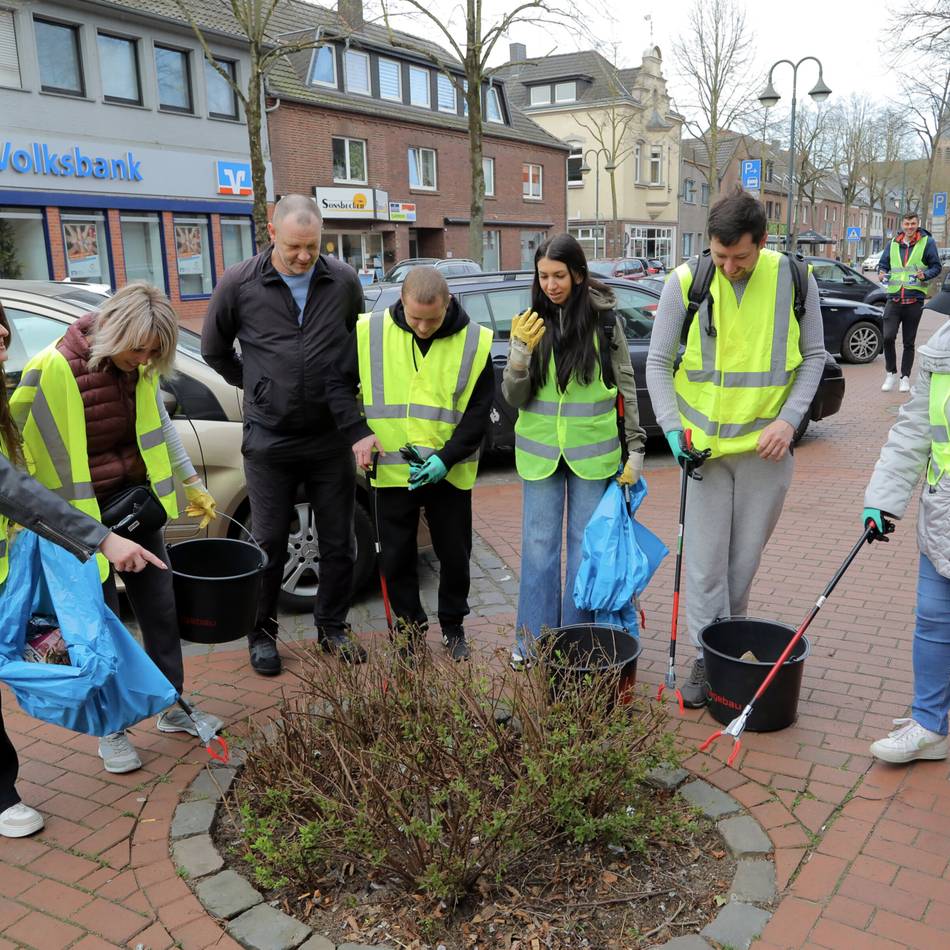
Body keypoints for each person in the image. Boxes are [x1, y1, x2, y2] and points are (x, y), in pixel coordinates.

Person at [10, 283, 221, 774]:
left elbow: (160, 425)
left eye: (154, 352)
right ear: (114, 333)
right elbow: (13, 447)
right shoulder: (54, 367)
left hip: (136, 509)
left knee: (161, 608)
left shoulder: (140, 367)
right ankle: (112, 730)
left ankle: (173, 705)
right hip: (79, 520)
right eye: (138, 348)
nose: (144, 359)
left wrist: (189, 481)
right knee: (98, 626)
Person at [645, 191, 825, 707]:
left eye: (739, 258)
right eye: (719, 257)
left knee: (741, 566)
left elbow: (813, 357)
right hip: (701, 452)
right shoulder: (686, 282)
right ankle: (707, 659)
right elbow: (658, 364)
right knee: (703, 566)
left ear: (761, 243)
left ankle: (726, 651)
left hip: (765, 454)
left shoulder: (795, 279)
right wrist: (675, 430)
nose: (728, 267)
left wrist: (789, 422)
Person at [0, 301, 167, 836]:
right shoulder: (49, 370)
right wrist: (98, 539)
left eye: (2, 335)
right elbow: (13, 485)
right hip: (86, 522)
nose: (0, 346)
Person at [202, 194, 366, 674]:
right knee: (269, 542)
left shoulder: (343, 281)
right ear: (271, 233)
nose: (302, 256)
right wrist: (258, 387)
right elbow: (214, 351)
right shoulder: (239, 282)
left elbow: (358, 345)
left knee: (339, 541)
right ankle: (262, 635)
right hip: (269, 440)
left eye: (312, 247)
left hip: (329, 437)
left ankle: (332, 628)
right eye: (294, 246)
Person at [325, 267, 494, 659]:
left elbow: (478, 413)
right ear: (402, 301)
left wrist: (447, 458)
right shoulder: (369, 332)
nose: (421, 327)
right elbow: (336, 384)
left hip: (447, 472)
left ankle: (453, 627)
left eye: (431, 319)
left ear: (447, 304)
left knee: (454, 555)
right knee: (397, 556)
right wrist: (357, 432)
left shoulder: (474, 341)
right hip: (390, 469)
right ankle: (408, 632)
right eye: (414, 317)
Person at [502, 233, 646, 666]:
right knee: (539, 550)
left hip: (593, 456)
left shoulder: (604, 323)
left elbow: (626, 388)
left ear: (579, 275)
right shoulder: (528, 323)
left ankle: (574, 644)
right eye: (543, 275)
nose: (551, 284)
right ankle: (531, 643)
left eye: (559, 275)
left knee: (585, 551)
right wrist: (519, 355)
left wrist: (636, 450)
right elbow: (514, 396)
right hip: (540, 456)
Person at [863, 318, 950, 763]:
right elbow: (914, 429)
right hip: (944, 515)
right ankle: (931, 726)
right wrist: (883, 499)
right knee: (933, 620)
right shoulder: (940, 347)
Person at [877, 211, 942, 393]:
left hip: (914, 299)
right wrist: (881, 272)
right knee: (888, 337)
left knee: (909, 341)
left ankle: (904, 377)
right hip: (894, 297)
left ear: (917, 224)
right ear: (902, 225)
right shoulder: (893, 243)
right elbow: (883, 264)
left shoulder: (926, 242)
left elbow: (936, 266)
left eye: (913, 224)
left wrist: (925, 274)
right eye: (906, 224)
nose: (910, 227)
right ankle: (890, 372)